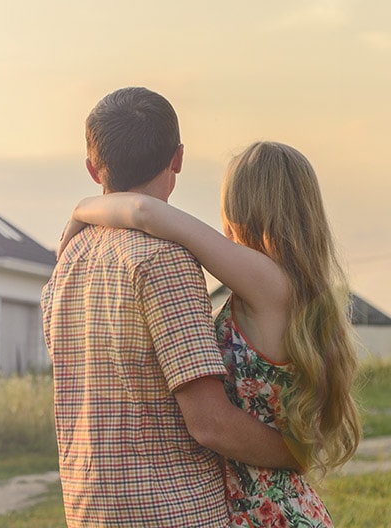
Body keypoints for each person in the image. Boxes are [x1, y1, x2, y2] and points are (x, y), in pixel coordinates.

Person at [57, 140, 362, 527]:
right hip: (282, 507)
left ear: (242, 207)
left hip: (265, 515)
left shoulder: (268, 283)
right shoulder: (292, 291)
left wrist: (82, 208)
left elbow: (143, 210)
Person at [41, 86, 300, 527]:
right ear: (177, 158)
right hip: (172, 509)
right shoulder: (165, 260)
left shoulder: (67, 262)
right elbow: (210, 424)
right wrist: (298, 453)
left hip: (89, 511)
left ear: (92, 168)